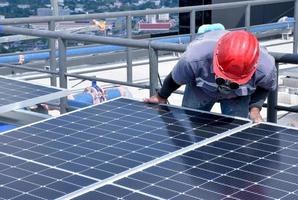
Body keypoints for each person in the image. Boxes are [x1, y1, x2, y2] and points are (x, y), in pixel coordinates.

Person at [144, 30, 277, 122]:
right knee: (191, 123)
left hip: (238, 96)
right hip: (201, 90)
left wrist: (254, 109)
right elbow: (175, 78)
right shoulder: (194, 57)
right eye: (221, 79)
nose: (226, 84)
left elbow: (265, 87)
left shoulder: (266, 68)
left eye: (234, 82)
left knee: (236, 133)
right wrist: (161, 96)